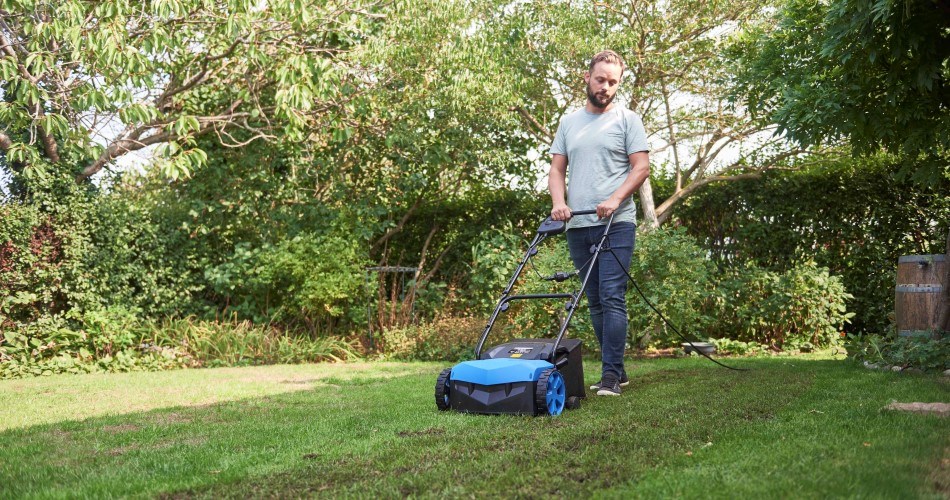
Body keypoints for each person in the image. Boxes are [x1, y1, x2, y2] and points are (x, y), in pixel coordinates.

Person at [548, 50, 650, 396]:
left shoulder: (627, 120)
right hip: (579, 225)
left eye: (613, 82)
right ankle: (616, 372)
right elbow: (557, 169)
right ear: (587, 78)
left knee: (611, 295)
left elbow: (641, 168)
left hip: (616, 222)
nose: (606, 87)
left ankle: (609, 377)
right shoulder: (568, 123)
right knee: (593, 299)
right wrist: (559, 203)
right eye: (601, 79)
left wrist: (615, 199)